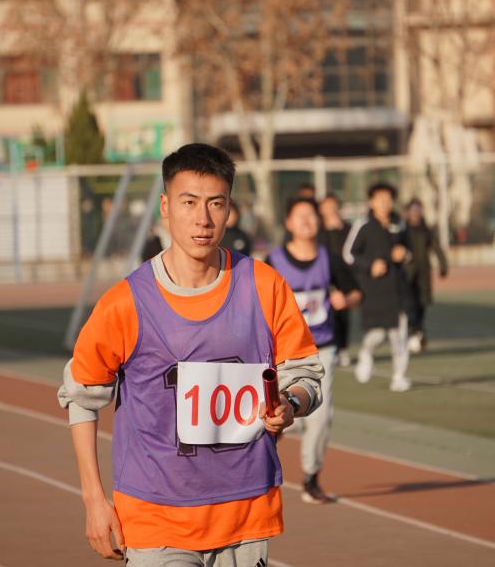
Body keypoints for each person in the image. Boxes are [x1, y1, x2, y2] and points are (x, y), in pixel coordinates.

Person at [57, 143, 324, 565]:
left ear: (230, 209)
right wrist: (94, 500)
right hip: (155, 517)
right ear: (165, 207)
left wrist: (290, 403)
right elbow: (81, 396)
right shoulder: (126, 301)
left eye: (216, 203)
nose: (203, 219)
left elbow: (305, 374)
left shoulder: (264, 285)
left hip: (245, 512)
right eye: (189, 202)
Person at [267, 196, 362, 505]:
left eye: (312, 215)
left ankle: (311, 477)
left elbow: (355, 292)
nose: (307, 221)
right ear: (288, 223)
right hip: (281, 352)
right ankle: (261, 465)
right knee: (274, 413)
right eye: (300, 215)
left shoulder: (329, 259)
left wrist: (346, 300)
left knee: (320, 416)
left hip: (322, 350)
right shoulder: (273, 262)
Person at [344, 182, 413, 392]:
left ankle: (399, 376)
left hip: (397, 290)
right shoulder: (363, 225)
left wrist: (404, 255)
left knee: (399, 335)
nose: (385, 204)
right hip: (373, 291)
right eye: (380, 199)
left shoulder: (400, 224)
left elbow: (410, 251)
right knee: (378, 334)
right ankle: (366, 354)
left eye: (388, 200)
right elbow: (349, 255)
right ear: (371, 202)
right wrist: (370, 265)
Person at [402, 198, 448, 353]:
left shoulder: (426, 230)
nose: (415, 213)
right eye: (413, 210)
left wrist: (443, 266)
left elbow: (436, 247)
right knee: (410, 306)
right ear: (408, 212)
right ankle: (413, 333)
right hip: (407, 274)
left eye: (418, 210)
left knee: (422, 304)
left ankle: (418, 333)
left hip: (423, 274)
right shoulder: (402, 230)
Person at [318, 193, 354, 366]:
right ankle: (328, 347)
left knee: (343, 313)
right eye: (326, 206)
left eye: (333, 205)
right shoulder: (318, 230)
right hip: (323, 276)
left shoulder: (348, 229)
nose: (330, 209)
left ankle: (343, 348)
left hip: (343, 276)